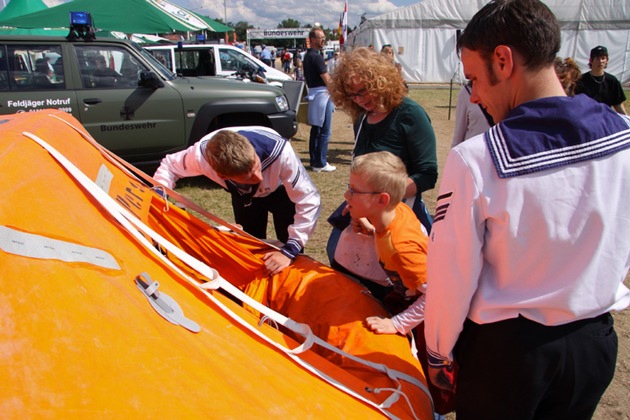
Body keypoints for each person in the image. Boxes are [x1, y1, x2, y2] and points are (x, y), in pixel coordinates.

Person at [424, 1, 630, 419]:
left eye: (474, 79)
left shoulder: (476, 159)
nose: (475, 95)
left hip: (509, 355)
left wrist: (438, 350)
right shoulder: (623, 135)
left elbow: (451, 271)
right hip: (593, 345)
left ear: (503, 60)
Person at [327, 47, 437, 281]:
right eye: (352, 95)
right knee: (340, 259)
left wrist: (376, 205)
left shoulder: (410, 115)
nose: (360, 99)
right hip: (363, 209)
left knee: (400, 276)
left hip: (398, 213)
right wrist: (360, 206)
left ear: (380, 80)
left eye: (363, 90)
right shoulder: (362, 119)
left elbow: (427, 174)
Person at [153, 126, 322, 276]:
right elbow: (169, 166)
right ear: (222, 176)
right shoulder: (200, 157)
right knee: (250, 244)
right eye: (249, 177)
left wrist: (289, 251)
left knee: (290, 249)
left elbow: (308, 198)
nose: (259, 177)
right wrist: (158, 198)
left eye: (257, 166)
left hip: (282, 191)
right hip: (245, 197)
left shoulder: (279, 151)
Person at [303, 28, 336, 172]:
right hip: (321, 93)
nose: (323, 40)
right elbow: (326, 78)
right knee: (324, 130)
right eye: (320, 37)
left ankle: (315, 161)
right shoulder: (316, 57)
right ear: (313, 39)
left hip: (315, 93)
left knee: (317, 129)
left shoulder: (308, 56)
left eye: (323, 37)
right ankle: (320, 162)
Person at [575, 45, 627, 114]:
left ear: (607, 60)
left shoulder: (612, 81)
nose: (600, 61)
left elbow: (618, 104)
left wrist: (627, 120)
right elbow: (576, 104)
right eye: (597, 59)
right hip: (587, 118)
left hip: (605, 119)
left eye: (603, 58)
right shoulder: (581, 80)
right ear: (591, 60)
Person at [451, 81, 493, 147]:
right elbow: (458, 135)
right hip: (472, 153)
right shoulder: (466, 93)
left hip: (497, 153)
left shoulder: (505, 90)